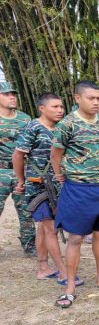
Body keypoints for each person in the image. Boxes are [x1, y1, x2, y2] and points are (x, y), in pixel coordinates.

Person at [51, 81, 99, 308]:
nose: (96, 102)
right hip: (78, 188)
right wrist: (60, 176)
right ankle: (69, 287)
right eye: (91, 98)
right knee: (76, 237)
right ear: (77, 98)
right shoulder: (67, 125)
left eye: (98, 98)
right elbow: (55, 155)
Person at [13, 93, 67, 281]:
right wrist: (21, 181)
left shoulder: (60, 128)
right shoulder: (33, 127)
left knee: (44, 228)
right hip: (38, 185)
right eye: (55, 107)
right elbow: (18, 155)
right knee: (50, 228)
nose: (60, 110)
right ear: (42, 108)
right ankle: (63, 271)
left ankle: (43, 267)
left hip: (56, 186)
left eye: (61, 107)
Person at [0, 81, 36, 255]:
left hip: (21, 171)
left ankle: (30, 246)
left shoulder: (25, 119)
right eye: (6, 94)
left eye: (13, 94)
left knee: (26, 211)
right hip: (0, 171)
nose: (11, 97)